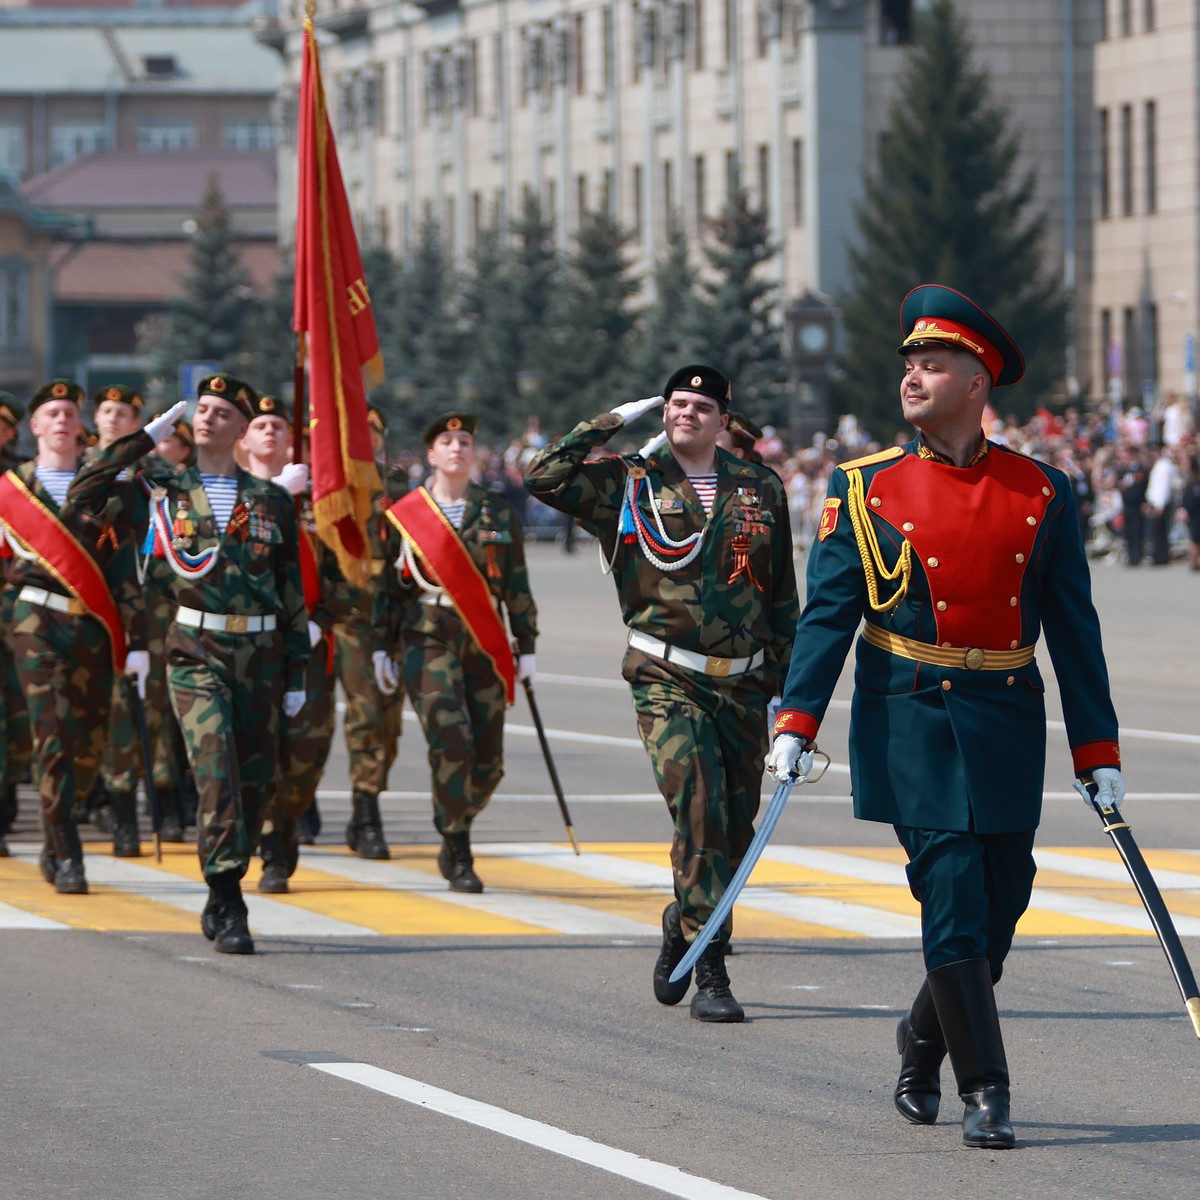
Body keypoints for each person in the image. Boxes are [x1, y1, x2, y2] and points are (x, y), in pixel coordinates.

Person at [765, 285, 1124, 1148]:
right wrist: (796, 722)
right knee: (954, 898)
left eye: (935, 364)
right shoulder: (864, 489)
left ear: (978, 381)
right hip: (911, 718)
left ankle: (921, 1038)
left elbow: (1074, 629)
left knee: (1005, 902)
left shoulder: (1042, 490)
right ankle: (987, 1090)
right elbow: (828, 617)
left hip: (1005, 713)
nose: (914, 377)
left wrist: (1097, 746)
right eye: (910, 365)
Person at [525, 366, 799, 1022]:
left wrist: (788, 691)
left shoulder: (760, 486)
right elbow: (544, 476)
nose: (686, 415)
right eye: (676, 404)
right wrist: (613, 418)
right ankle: (712, 967)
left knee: (732, 830)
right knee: (700, 806)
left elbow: (782, 592)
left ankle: (683, 919)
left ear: (724, 418)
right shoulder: (629, 481)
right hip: (666, 678)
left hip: (743, 683)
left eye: (702, 406)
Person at [137, 373, 309, 953]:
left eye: (221, 412)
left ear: (239, 429)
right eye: (202, 409)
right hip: (194, 650)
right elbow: (89, 491)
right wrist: (137, 442)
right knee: (217, 773)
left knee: (256, 781)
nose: (207, 418)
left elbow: (290, 588)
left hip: (260, 654)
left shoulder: (271, 500)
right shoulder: (163, 484)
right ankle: (228, 895)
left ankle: (223, 885)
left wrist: (298, 670)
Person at [0, 380, 184, 892]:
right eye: (51, 413)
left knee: (88, 746)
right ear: (34, 427)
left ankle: (55, 834)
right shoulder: (11, 490)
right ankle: (68, 852)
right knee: (53, 737)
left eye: (68, 413)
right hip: (37, 622)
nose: (61, 420)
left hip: (96, 625)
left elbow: (125, 567)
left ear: (80, 427)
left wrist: (140, 640)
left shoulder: (104, 487)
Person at [373, 412, 537, 893]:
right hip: (427, 634)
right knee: (452, 737)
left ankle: (456, 818)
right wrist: (383, 646)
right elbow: (388, 588)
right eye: (446, 440)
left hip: (484, 640)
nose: (457, 448)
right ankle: (457, 840)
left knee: (489, 761)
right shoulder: (406, 514)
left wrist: (526, 643)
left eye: (465, 440)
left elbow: (518, 584)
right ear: (431, 454)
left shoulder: (498, 511)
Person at [240, 393, 344, 892]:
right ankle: (271, 851)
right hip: (248, 651)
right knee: (257, 754)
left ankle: (285, 828)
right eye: (259, 425)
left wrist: (319, 624)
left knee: (305, 758)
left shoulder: (319, 506)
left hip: (308, 655)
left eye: (279, 426)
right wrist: (273, 497)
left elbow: (346, 581)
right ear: (243, 438)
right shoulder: (228, 497)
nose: (270, 433)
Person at [334, 405, 404, 859]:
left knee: (389, 724)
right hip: (346, 621)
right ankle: (366, 811)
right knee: (363, 717)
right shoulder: (333, 493)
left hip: (391, 624)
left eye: (374, 433)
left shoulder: (399, 491)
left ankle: (366, 805)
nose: (368, 440)